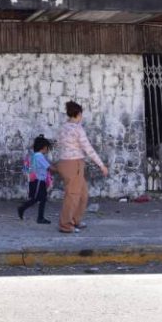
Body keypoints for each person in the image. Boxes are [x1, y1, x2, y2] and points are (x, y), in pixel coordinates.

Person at [53, 100, 109, 233]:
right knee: (72, 195)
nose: (82, 117)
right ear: (78, 114)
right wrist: (102, 165)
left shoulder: (63, 127)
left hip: (65, 163)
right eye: (81, 114)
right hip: (74, 164)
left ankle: (75, 220)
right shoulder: (78, 129)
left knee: (83, 195)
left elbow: (58, 145)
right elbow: (88, 149)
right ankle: (65, 225)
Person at [17, 135, 53, 224]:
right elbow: (49, 167)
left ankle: (40, 217)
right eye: (47, 147)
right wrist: (60, 169)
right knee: (36, 199)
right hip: (38, 181)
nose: (48, 150)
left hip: (38, 180)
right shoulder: (39, 156)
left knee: (42, 199)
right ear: (44, 147)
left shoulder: (33, 155)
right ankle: (23, 208)